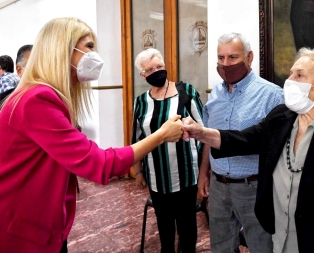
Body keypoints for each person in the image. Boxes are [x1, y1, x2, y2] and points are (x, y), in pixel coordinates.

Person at [0, 17, 184, 253]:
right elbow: (98, 163)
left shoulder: (37, 95)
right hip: (23, 230)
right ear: (63, 50)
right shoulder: (37, 99)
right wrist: (161, 135)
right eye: (88, 47)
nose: (94, 56)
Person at [182, 46, 314, 253]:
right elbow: (245, 139)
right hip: (279, 237)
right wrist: (201, 133)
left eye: (300, 75)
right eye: (291, 73)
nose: (290, 80)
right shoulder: (281, 117)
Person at [198, 32, 283, 253]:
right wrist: (204, 174)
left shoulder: (272, 96)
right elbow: (210, 138)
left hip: (253, 187)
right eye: (220, 58)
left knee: (262, 246)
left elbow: (278, 147)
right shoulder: (215, 94)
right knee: (221, 246)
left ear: (249, 57)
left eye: (233, 57)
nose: (225, 64)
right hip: (218, 186)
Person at [132, 48, 204, 253]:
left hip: (186, 175)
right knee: (164, 228)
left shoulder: (186, 91)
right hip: (156, 177)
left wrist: (204, 170)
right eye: (150, 69)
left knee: (187, 228)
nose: (157, 71)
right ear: (143, 75)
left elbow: (203, 130)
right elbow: (136, 139)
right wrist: (138, 171)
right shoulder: (141, 102)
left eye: (159, 66)